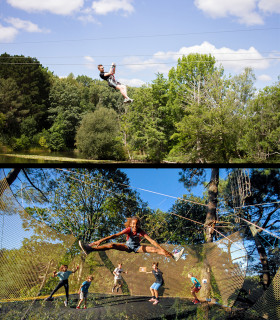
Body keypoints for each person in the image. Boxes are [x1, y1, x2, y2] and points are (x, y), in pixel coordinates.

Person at [79, 216, 184, 261]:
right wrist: (101, 240)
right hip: (128, 247)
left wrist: (163, 250)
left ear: (139, 225)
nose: (135, 226)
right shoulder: (128, 230)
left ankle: (173, 256)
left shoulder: (140, 231)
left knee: (154, 249)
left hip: (137, 247)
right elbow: (115, 235)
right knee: (112, 245)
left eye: (137, 224)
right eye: (133, 224)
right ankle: (90, 249)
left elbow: (151, 241)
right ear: (131, 224)